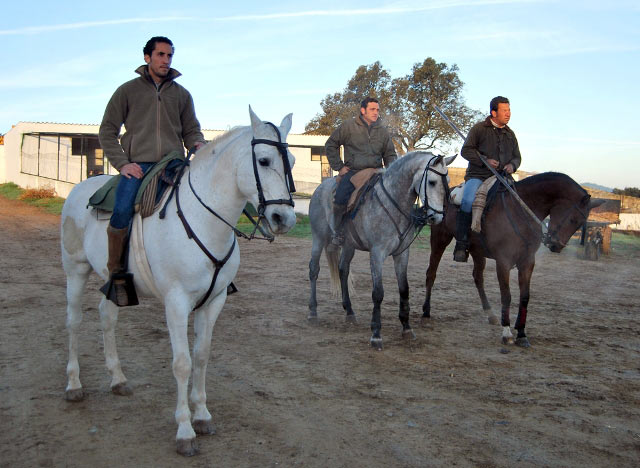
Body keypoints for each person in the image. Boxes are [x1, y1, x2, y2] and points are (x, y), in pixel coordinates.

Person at [98, 36, 206, 304]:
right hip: (139, 165)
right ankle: (117, 273)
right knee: (122, 209)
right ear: (147, 57)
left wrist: (198, 142)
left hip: (174, 162)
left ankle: (212, 273)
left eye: (169, 56)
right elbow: (107, 131)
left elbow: (191, 129)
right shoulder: (127, 91)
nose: (165, 60)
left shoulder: (182, 94)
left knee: (202, 203)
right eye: (160, 55)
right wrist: (123, 164)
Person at [454, 96, 522, 262]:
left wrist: (512, 165)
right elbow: (466, 151)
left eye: (509, 110)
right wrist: (485, 160)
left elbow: (517, 157)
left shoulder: (510, 134)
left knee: (518, 202)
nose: (508, 114)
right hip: (478, 175)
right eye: (504, 110)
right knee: (468, 201)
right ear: (494, 112)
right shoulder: (479, 129)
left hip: (502, 177)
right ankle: (461, 244)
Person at [325, 97, 397, 245]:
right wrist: (339, 166)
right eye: (372, 109)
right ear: (363, 110)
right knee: (340, 198)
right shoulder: (348, 127)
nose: (376, 112)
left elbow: (390, 154)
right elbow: (331, 145)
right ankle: (337, 232)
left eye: (377, 110)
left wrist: (391, 173)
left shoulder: (382, 131)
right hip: (353, 173)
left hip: (377, 172)